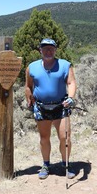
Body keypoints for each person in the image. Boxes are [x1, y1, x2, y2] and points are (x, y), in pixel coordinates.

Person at [25, 38, 77, 179]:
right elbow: (28, 86)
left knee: (65, 137)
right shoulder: (32, 67)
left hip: (61, 106)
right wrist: (29, 99)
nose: (48, 51)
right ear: (40, 50)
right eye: (45, 48)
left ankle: (65, 164)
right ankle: (46, 165)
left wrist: (71, 97)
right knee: (44, 138)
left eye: (51, 48)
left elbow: (71, 82)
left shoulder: (65, 65)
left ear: (55, 49)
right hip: (41, 107)